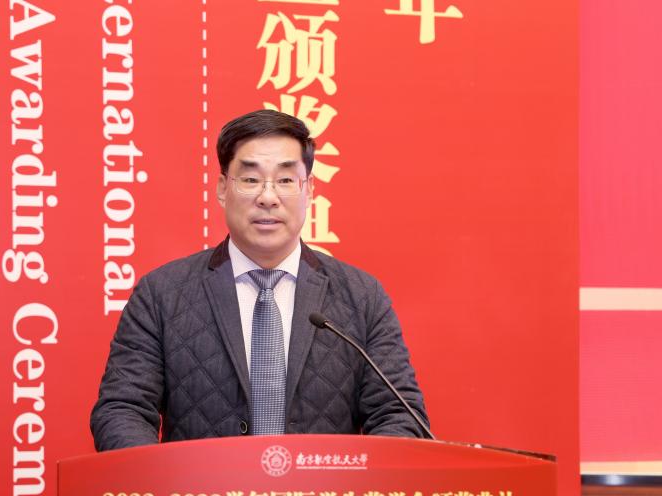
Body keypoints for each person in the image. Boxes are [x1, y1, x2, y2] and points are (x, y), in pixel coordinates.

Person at [90, 109, 428, 450]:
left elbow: (399, 415)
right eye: (251, 180)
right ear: (223, 188)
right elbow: (123, 409)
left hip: (323, 486)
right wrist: (159, 481)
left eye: (285, 180)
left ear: (309, 190)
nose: (268, 197)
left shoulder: (361, 296)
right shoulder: (161, 294)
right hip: (199, 487)